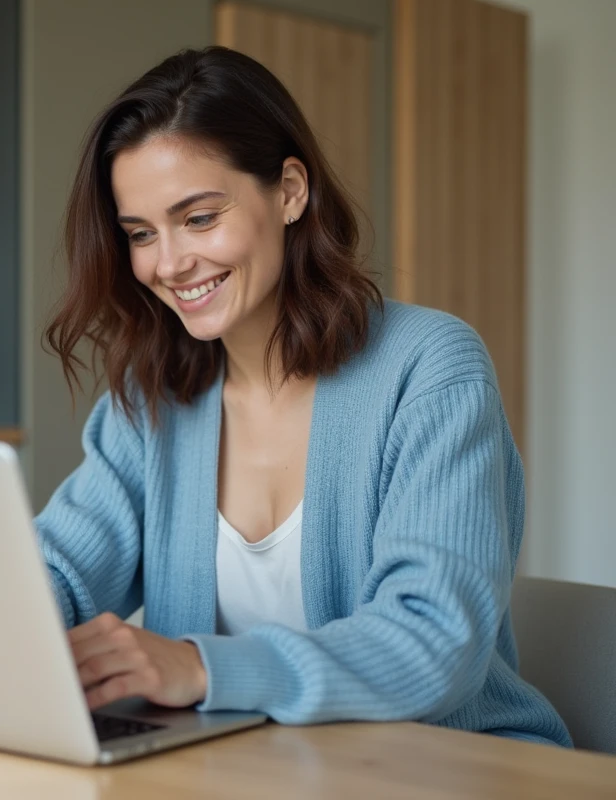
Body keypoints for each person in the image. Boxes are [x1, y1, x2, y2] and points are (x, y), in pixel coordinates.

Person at [36, 46, 570, 747]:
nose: (169, 263)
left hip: (447, 768)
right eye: (140, 233)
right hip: (246, 772)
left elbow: (434, 640)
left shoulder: (429, 367)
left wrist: (202, 668)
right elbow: (57, 571)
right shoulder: (152, 398)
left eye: (199, 218)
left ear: (290, 191)